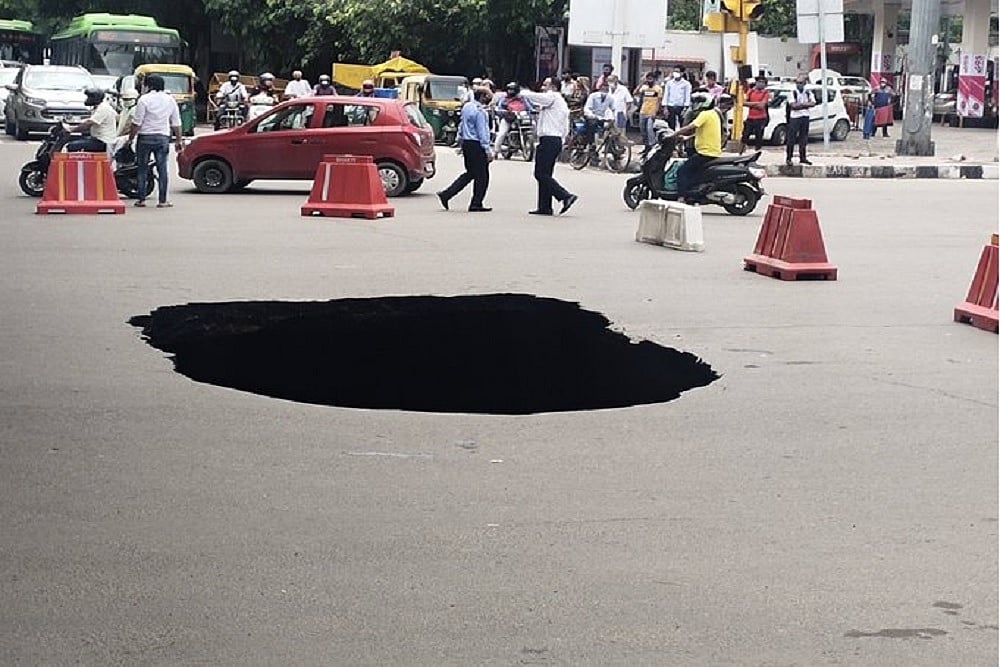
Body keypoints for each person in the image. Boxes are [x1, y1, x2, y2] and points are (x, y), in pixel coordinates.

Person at [517, 78, 579, 216]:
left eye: (546, 85)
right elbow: (564, 126)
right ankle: (545, 206)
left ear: (553, 87)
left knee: (540, 174)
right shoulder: (559, 103)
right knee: (545, 174)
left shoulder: (553, 97)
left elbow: (538, 97)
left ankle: (565, 196)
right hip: (553, 139)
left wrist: (523, 93)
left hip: (550, 139)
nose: (543, 87)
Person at [128, 74, 183, 208]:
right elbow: (176, 122)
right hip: (163, 138)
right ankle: (163, 200)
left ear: (148, 85)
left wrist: (130, 138)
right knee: (162, 169)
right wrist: (178, 141)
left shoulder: (143, 100)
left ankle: (141, 199)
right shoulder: (170, 100)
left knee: (142, 169)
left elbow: (137, 122)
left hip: (145, 137)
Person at [437, 87, 493, 212]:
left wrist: (460, 141)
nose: (490, 99)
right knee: (482, 176)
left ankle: (447, 194)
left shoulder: (467, 107)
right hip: (477, 144)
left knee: (471, 173)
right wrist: (487, 149)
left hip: (467, 143)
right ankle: (476, 203)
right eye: (488, 96)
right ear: (483, 96)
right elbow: (482, 132)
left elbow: (462, 125)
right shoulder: (480, 112)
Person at [671, 90, 723, 200]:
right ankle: (694, 194)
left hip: (705, 152)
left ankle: (682, 197)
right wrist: (686, 138)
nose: (695, 104)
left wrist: (674, 133)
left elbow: (690, 127)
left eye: (697, 102)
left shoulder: (705, 114)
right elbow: (702, 132)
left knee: (682, 171)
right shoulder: (713, 114)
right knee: (693, 171)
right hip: (711, 151)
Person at [64, 87, 117, 154]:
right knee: (75, 139)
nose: (87, 99)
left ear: (95, 98)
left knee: (70, 146)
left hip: (103, 141)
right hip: (97, 139)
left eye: (89, 97)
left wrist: (71, 129)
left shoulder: (103, 108)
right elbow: (89, 121)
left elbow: (88, 124)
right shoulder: (98, 107)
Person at [492, 81, 532, 156]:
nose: (510, 91)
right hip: (508, 119)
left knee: (533, 125)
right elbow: (499, 108)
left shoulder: (522, 99)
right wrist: (505, 112)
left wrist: (533, 111)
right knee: (502, 133)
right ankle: (496, 151)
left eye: (512, 90)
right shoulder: (504, 99)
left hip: (521, 118)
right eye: (509, 89)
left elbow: (529, 106)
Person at [785, 75, 815, 166]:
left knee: (804, 138)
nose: (799, 85)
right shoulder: (793, 92)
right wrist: (805, 105)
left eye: (801, 83)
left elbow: (813, 103)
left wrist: (800, 105)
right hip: (795, 118)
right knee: (791, 139)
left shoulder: (808, 92)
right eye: (797, 83)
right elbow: (793, 106)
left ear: (805, 83)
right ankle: (789, 158)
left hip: (805, 117)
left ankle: (803, 157)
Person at [740, 74, 770, 154]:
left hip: (761, 118)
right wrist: (755, 104)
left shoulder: (766, 93)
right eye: (759, 82)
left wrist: (751, 104)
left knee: (759, 138)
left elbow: (761, 106)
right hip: (750, 117)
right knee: (745, 136)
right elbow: (743, 103)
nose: (760, 84)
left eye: (762, 82)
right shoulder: (751, 91)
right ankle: (741, 151)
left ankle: (757, 152)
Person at [633, 71, 663, 152]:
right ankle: (646, 147)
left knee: (650, 130)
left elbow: (659, 101)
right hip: (643, 111)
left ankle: (652, 146)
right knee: (643, 130)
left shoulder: (658, 89)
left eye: (651, 79)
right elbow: (635, 93)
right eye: (648, 79)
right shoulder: (644, 88)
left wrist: (656, 112)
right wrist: (641, 83)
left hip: (652, 112)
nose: (649, 80)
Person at [582, 81, 614, 154]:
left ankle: (613, 149)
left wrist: (611, 118)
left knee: (612, 129)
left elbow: (612, 109)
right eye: (603, 90)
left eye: (606, 90)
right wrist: (592, 115)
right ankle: (591, 144)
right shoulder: (593, 96)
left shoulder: (610, 98)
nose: (604, 92)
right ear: (600, 89)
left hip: (601, 117)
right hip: (591, 116)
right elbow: (587, 108)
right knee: (592, 123)